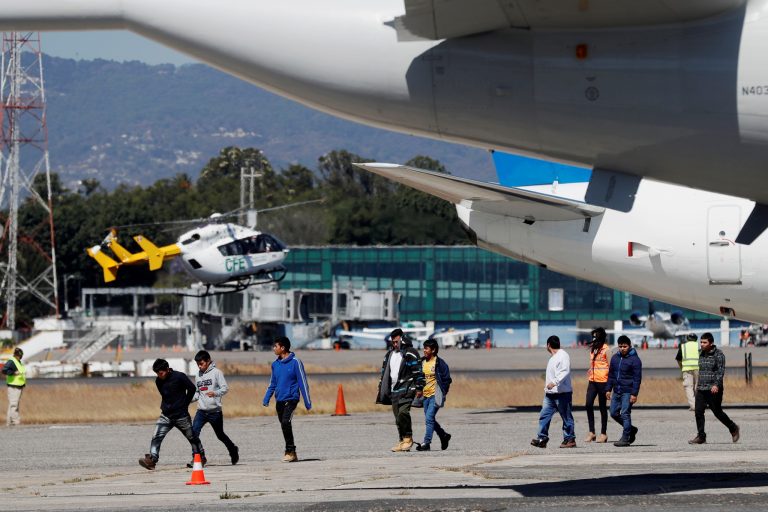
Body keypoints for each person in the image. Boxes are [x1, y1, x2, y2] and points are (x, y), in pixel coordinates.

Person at [139, 358, 204, 470]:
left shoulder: (179, 377)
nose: (159, 375)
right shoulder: (158, 381)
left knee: (192, 437)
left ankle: (200, 458)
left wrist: (185, 403)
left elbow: (192, 388)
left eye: (160, 373)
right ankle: (152, 460)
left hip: (181, 415)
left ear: (167, 369)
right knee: (156, 436)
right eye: (157, 373)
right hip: (166, 415)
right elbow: (165, 396)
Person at [263, 336, 312, 462]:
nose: (274, 348)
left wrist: (307, 402)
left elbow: (303, 382)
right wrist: (267, 397)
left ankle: (289, 450)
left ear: (283, 348)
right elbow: (272, 383)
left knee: (286, 422)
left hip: (291, 398)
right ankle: (293, 453)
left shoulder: (296, 362)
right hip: (279, 400)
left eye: (276, 346)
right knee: (284, 425)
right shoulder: (275, 364)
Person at [376, 328, 425, 452]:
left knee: (403, 413)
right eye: (393, 342)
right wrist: (381, 387)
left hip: (407, 388)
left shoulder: (410, 352)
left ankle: (408, 438)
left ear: (402, 339)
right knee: (398, 418)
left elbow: (418, 371)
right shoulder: (389, 355)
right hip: (394, 391)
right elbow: (384, 373)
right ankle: (402, 441)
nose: (395, 344)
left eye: (397, 341)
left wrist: (419, 387)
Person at [187, 350, 239, 468]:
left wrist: (215, 393)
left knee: (220, 435)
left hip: (214, 412)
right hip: (201, 411)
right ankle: (198, 457)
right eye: (198, 364)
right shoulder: (197, 375)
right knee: (193, 433)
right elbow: (197, 393)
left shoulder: (217, 373)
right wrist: (187, 400)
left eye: (201, 364)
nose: (200, 366)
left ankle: (233, 449)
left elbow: (225, 388)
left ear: (208, 361)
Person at [688, 332, 740, 444]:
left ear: (711, 343)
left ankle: (733, 428)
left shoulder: (719, 355)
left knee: (717, 412)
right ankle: (701, 436)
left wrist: (716, 384)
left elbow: (720, 371)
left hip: (714, 389)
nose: (701, 344)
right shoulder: (700, 353)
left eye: (704, 342)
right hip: (701, 388)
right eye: (701, 342)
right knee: (698, 412)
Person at [530, 335, 576, 449]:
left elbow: (565, 371)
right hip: (550, 394)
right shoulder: (553, 358)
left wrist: (554, 382)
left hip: (562, 393)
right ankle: (542, 438)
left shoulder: (563, 355)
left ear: (548, 345)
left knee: (566, 417)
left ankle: (570, 439)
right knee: (544, 416)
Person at [415, 339, 452, 452]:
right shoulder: (421, 362)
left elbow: (447, 380)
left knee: (429, 418)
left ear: (433, 350)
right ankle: (443, 435)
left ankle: (427, 443)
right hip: (424, 397)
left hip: (435, 396)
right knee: (429, 419)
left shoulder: (440, 363)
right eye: (424, 348)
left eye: (426, 348)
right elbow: (417, 377)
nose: (424, 350)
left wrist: (443, 392)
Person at [606, 335, 642, 447]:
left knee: (625, 414)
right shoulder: (615, 358)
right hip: (616, 391)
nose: (622, 348)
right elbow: (611, 375)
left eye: (624, 346)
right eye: (620, 346)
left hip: (628, 391)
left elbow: (637, 379)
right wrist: (608, 389)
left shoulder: (635, 360)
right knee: (613, 413)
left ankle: (626, 438)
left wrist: (634, 394)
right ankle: (631, 429)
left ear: (629, 346)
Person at [585, 328, 610, 443]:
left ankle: (603, 433)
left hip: (603, 382)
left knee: (602, 408)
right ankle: (592, 432)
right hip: (592, 381)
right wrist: (590, 369)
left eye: (595, 337)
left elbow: (611, 368)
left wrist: (609, 387)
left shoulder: (606, 350)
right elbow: (594, 363)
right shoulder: (593, 350)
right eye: (593, 337)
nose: (594, 339)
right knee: (588, 404)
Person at [675, 333, 699, 411]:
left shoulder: (683, 346)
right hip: (698, 368)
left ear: (687, 339)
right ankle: (699, 404)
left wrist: (682, 367)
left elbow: (678, 359)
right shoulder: (699, 346)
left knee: (689, 387)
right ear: (696, 339)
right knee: (698, 387)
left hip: (687, 369)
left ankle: (694, 406)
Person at [3, 348, 25, 426]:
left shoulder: (18, 362)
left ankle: (9, 422)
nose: (21, 356)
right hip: (13, 386)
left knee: (12, 405)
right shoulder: (11, 361)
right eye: (20, 355)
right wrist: (13, 373)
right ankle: (16, 421)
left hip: (18, 386)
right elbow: (4, 370)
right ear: (17, 355)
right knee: (14, 405)